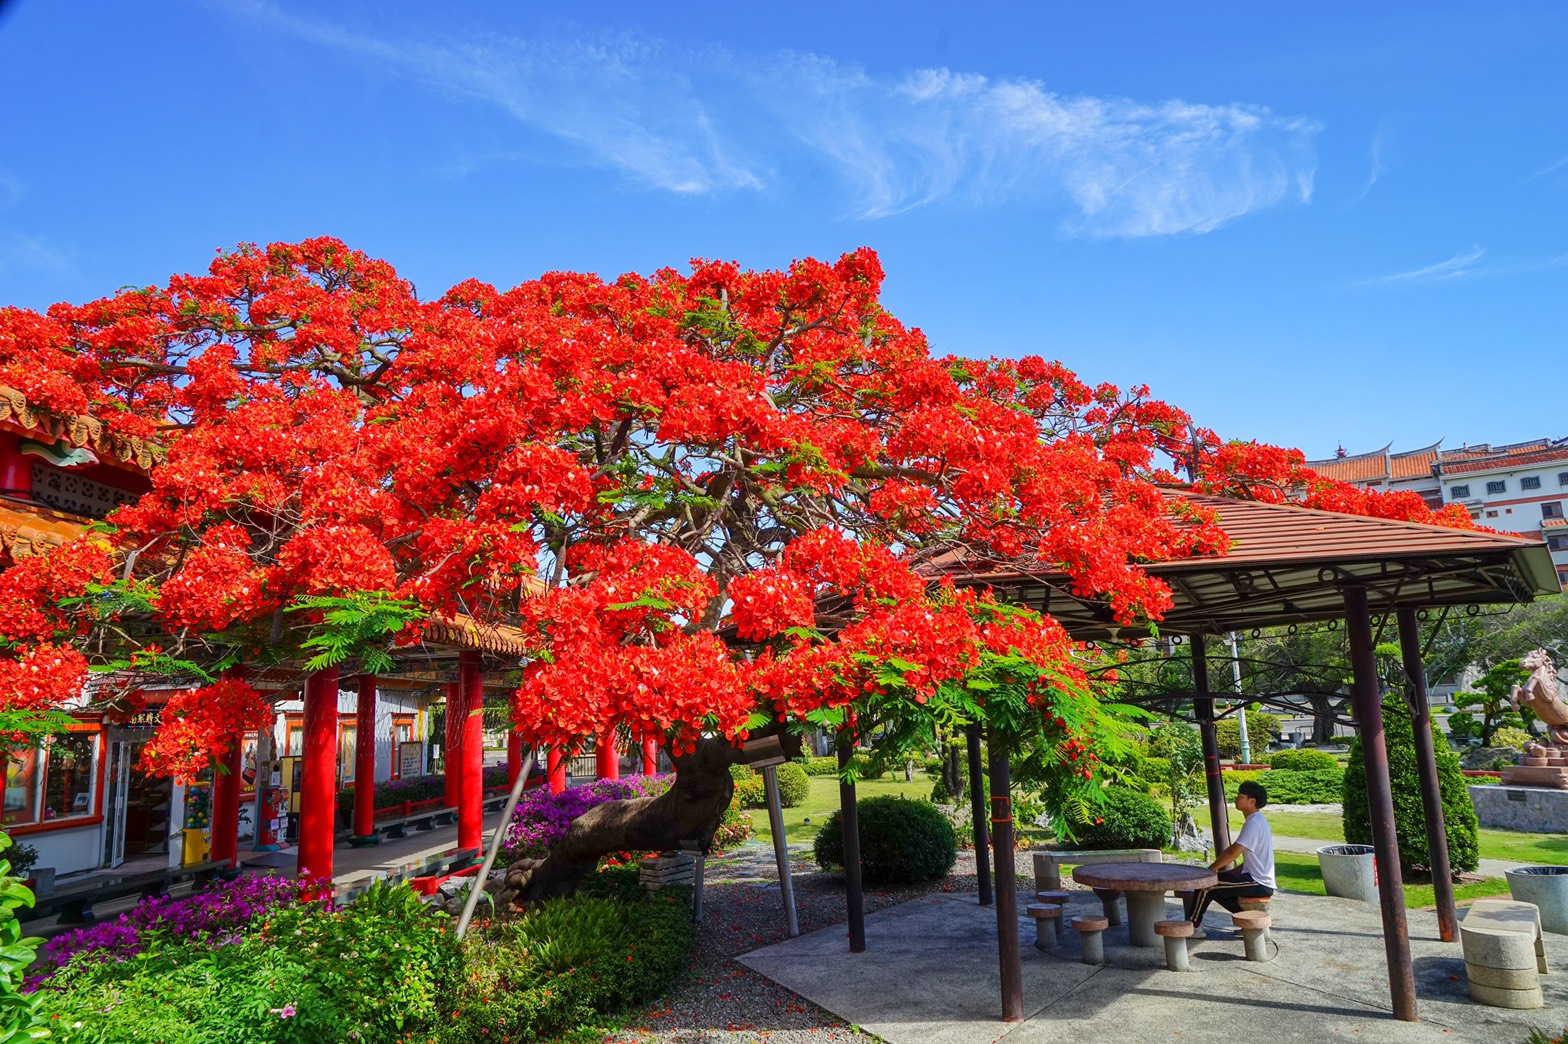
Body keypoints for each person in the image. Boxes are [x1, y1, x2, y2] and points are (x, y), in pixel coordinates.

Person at [1186, 780, 1274, 927]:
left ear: (1252, 801)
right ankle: (1250, 923)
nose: (1236, 799)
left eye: (1240, 796)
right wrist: (1232, 872)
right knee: (1216, 887)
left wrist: (1211, 870)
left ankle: (1192, 926)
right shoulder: (1257, 820)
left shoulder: (1254, 823)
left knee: (1206, 886)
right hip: (1255, 879)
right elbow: (1252, 860)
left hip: (1258, 882)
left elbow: (1233, 852)